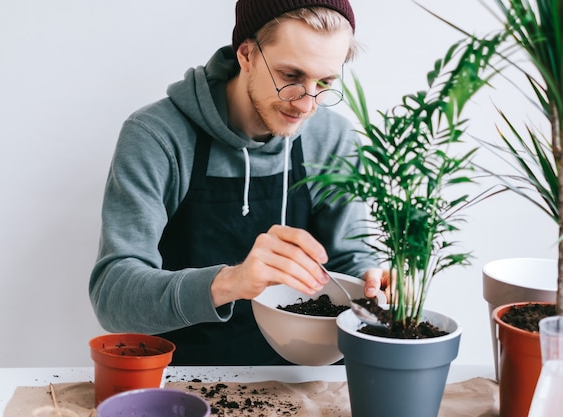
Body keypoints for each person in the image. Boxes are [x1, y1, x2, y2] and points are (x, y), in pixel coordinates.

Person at [89, 0, 387, 366]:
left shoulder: (331, 136)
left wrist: (372, 280)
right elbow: (113, 297)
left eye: (324, 82)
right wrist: (231, 282)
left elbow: (349, 259)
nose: (307, 104)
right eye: (291, 76)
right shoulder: (157, 135)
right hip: (193, 380)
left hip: (311, 379)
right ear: (246, 54)